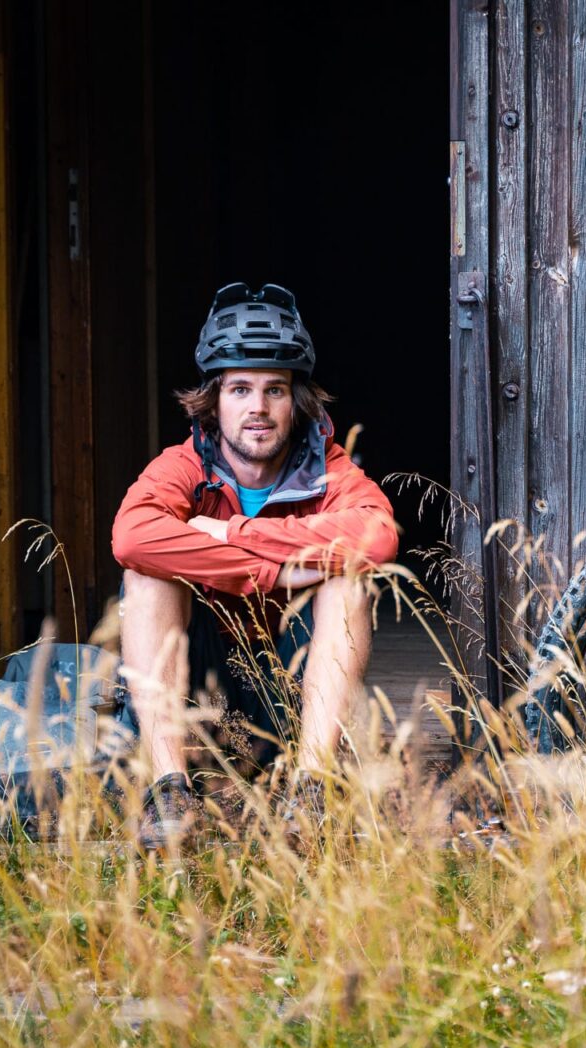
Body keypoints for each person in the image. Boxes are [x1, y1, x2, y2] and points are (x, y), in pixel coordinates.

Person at [110, 282, 399, 847]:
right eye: (240, 389)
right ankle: (170, 792)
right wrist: (268, 570)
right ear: (214, 400)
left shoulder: (328, 469)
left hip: (296, 698)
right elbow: (132, 536)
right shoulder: (183, 466)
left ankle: (314, 790)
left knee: (348, 584)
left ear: (299, 402)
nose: (258, 409)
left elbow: (377, 536)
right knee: (146, 576)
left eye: (275, 390)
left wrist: (235, 531)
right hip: (204, 698)